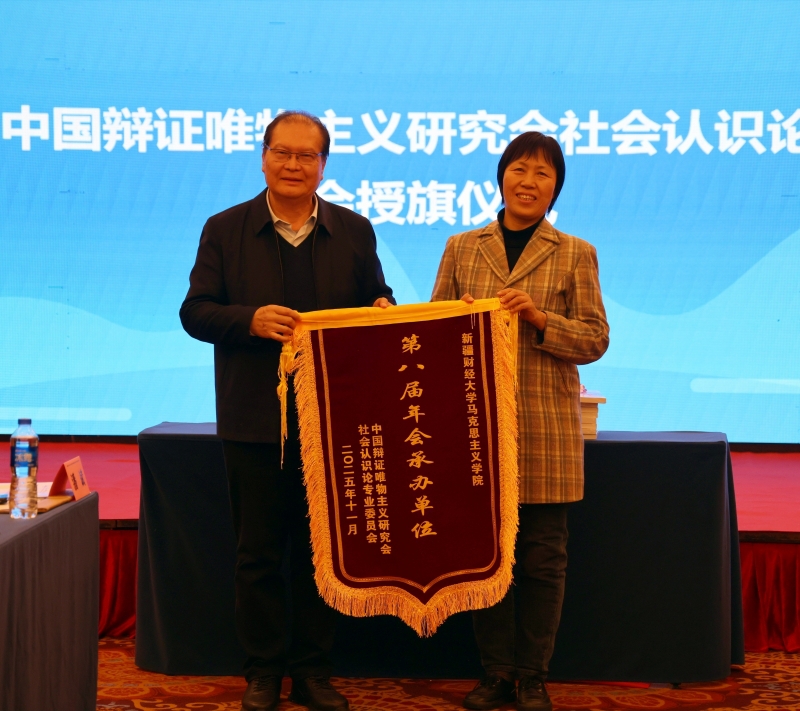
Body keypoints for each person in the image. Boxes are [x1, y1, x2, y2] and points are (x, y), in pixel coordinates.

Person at [180, 111, 394, 711]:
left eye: (307, 156)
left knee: (322, 553)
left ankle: (313, 672)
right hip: (254, 420)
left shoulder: (354, 230)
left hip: (333, 422)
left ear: (323, 165)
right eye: (283, 153)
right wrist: (247, 320)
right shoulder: (225, 228)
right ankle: (263, 672)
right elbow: (195, 311)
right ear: (263, 157)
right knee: (258, 555)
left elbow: (376, 297)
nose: (293, 165)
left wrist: (383, 307)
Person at [431, 132, 609, 711]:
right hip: (476, 429)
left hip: (545, 429)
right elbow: (433, 333)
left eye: (542, 173)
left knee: (541, 561)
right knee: (487, 561)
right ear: (501, 176)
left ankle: (533, 676)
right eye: (519, 169)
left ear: (556, 188)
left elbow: (595, 339)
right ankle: (496, 674)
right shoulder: (462, 247)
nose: (528, 182)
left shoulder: (576, 252)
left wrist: (540, 318)